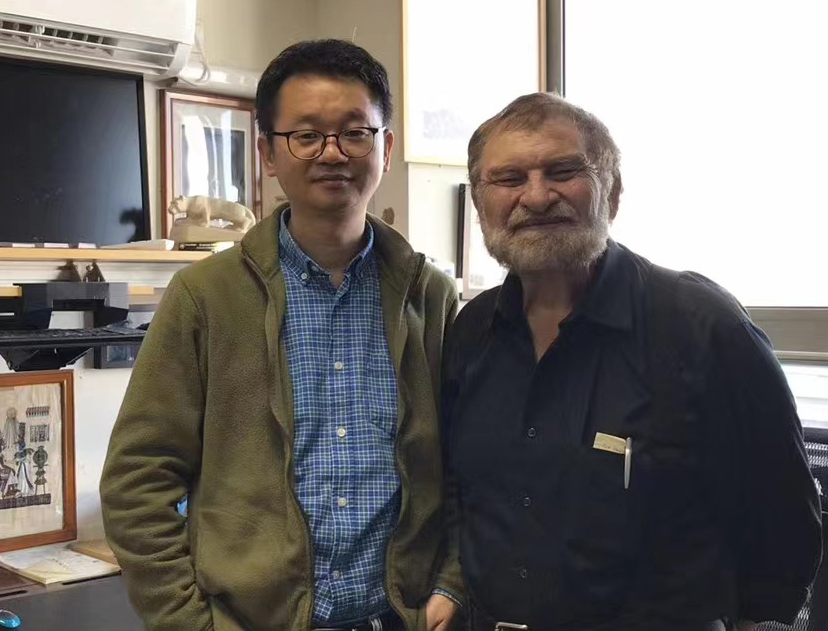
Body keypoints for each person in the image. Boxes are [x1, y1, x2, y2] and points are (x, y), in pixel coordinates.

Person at [100, 39, 463, 631]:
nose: (332, 153)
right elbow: (137, 481)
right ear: (268, 152)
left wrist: (452, 582)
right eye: (306, 134)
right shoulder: (205, 298)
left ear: (386, 148)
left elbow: (469, 466)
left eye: (355, 132)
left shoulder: (431, 297)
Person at [441, 92, 822, 631]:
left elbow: (783, 527)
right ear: (480, 204)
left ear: (612, 192)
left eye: (564, 170)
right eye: (509, 179)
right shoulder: (471, 330)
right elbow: (462, 487)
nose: (537, 195)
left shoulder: (703, 328)